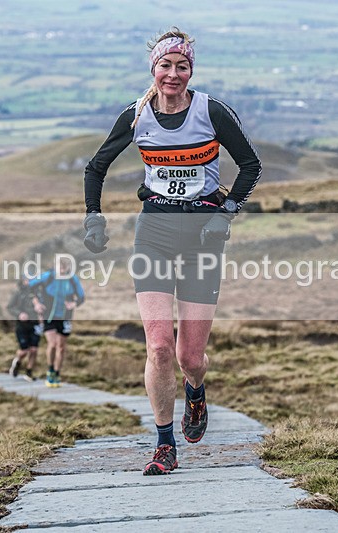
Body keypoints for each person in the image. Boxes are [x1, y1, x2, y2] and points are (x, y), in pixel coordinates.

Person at [82, 28, 261, 475]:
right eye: (166, 66)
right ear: (154, 70)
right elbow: (96, 167)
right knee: (159, 346)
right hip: (155, 231)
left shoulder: (211, 111)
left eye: (182, 67)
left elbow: (251, 165)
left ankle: (195, 392)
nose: (173, 74)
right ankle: (164, 444)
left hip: (203, 234)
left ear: (191, 72)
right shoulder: (136, 116)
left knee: (189, 358)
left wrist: (227, 213)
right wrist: (93, 217)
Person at [30, 257, 85, 388]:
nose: (62, 271)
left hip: (65, 317)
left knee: (61, 347)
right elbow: (29, 288)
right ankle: (50, 371)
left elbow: (81, 297)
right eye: (59, 268)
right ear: (54, 267)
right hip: (49, 315)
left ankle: (57, 373)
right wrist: (36, 303)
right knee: (53, 344)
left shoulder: (72, 279)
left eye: (64, 269)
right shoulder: (47, 277)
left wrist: (74, 303)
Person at [6, 276, 42, 382]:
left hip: (36, 324)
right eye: (27, 280)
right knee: (24, 351)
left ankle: (29, 372)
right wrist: (19, 314)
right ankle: (17, 362)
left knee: (34, 350)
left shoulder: (39, 293)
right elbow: (10, 307)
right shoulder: (18, 293)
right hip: (22, 325)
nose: (29, 282)